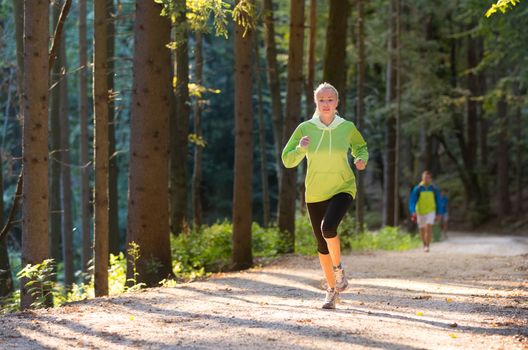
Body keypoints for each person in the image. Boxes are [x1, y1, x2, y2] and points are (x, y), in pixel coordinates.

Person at [282, 82, 368, 309]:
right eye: (322, 100)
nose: (326, 104)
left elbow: (360, 147)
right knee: (322, 245)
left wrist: (360, 159)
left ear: (337, 103)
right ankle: (331, 292)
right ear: (315, 102)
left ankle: (339, 271)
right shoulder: (304, 128)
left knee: (328, 228)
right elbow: (287, 159)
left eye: (330, 99)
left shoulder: (347, 127)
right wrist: (300, 148)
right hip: (315, 191)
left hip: (343, 187)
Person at [408, 170, 441, 252]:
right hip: (420, 211)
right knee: (422, 229)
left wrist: (439, 213)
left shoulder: (433, 189)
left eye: (428, 178)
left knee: (428, 227)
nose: (426, 179)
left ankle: (427, 245)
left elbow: (438, 201)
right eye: (425, 178)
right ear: (422, 178)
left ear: (430, 179)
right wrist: (413, 212)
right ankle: (424, 244)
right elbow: (412, 201)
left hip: (431, 211)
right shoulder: (418, 189)